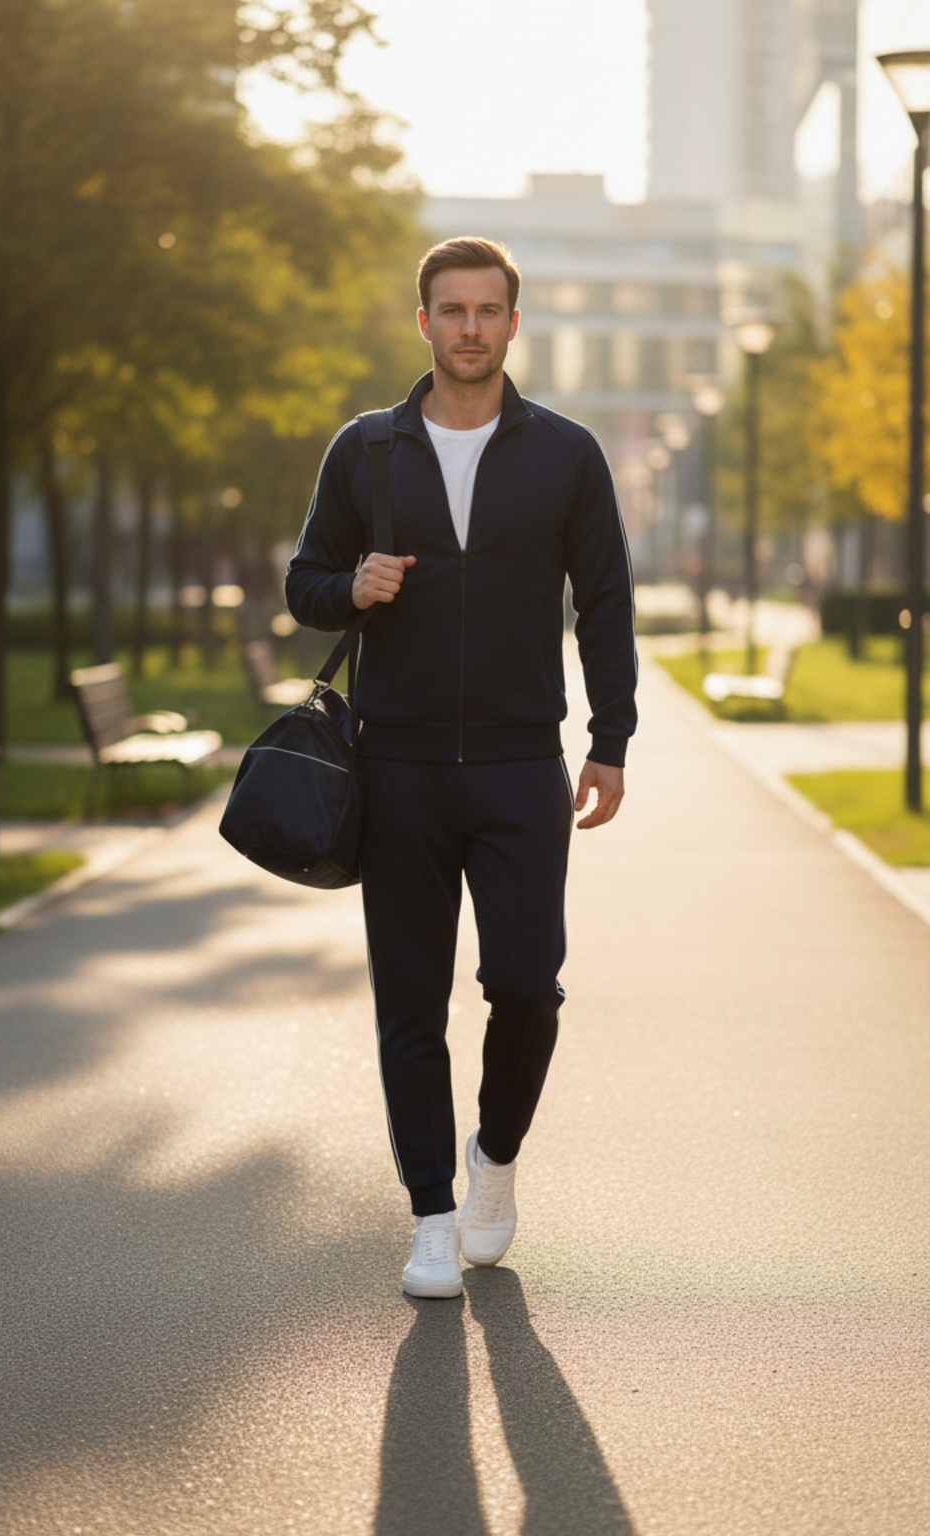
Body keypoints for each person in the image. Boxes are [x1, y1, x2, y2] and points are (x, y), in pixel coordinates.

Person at [286, 237, 637, 1298]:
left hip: (520, 764)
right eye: (452, 310)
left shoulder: (566, 454)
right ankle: (432, 1214)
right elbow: (303, 584)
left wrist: (610, 739)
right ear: (424, 321)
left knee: (527, 986)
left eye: (489, 311)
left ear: (512, 326)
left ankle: (494, 1157)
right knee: (408, 1004)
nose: (470, 328)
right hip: (394, 768)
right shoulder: (367, 450)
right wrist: (352, 589)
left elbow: (607, 600)